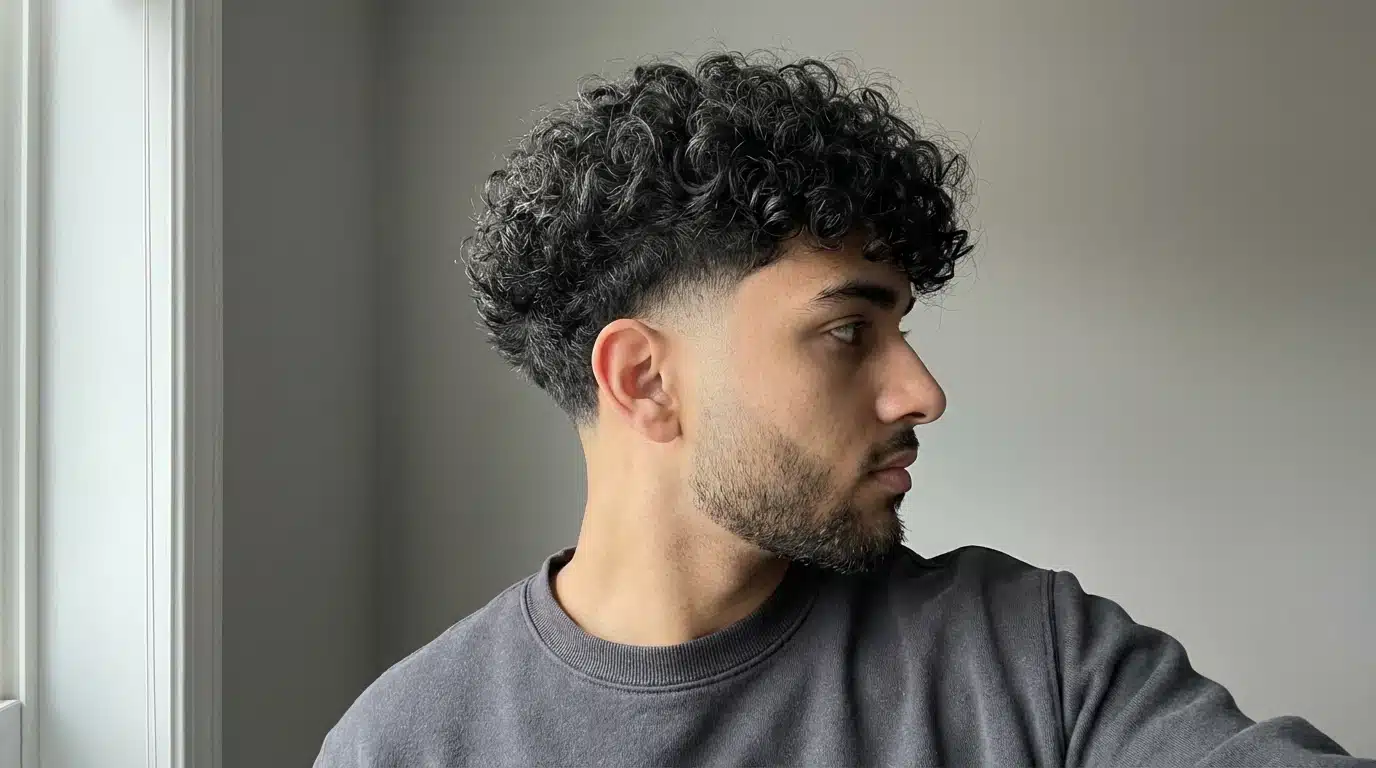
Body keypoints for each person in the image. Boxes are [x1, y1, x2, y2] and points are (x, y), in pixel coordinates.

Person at [316, 51, 1369, 767]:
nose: (920, 391)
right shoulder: (411, 743)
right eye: (845, 331)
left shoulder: (1026, 658)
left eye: (900, 328)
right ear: (642, 379)